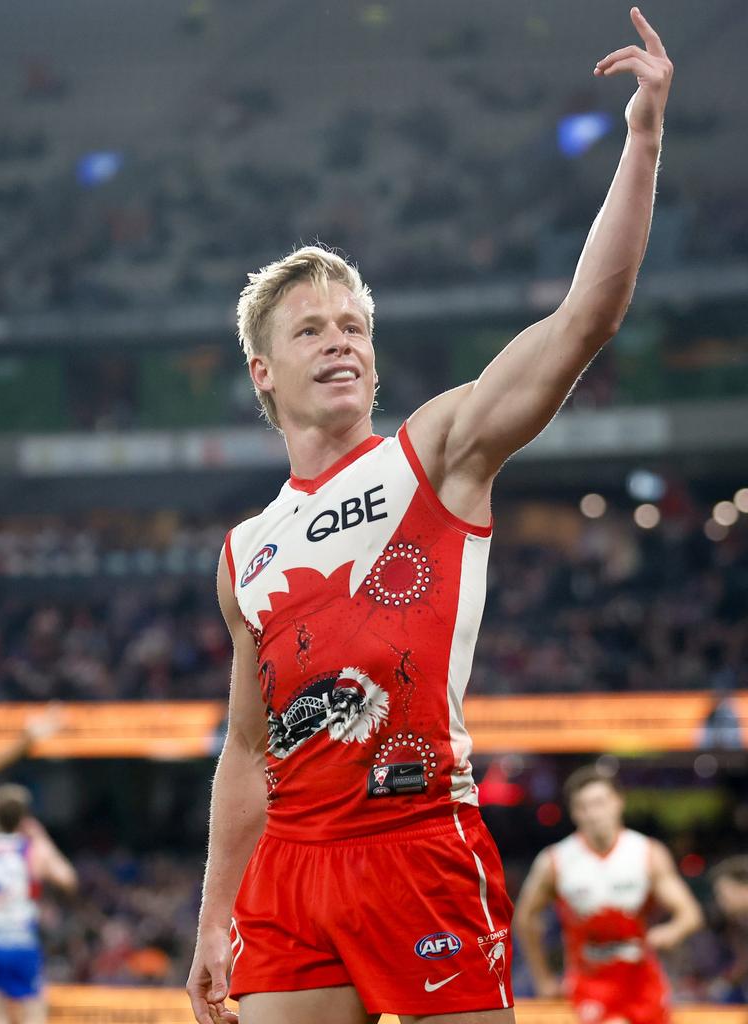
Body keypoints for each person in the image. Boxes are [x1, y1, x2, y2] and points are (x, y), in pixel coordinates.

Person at [186, 10, 674, 1023]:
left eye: (355, 325)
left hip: (420, 850)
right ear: (263, 372)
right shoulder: (244, 553)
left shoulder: (436, 453)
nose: (341, 342)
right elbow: (245, 750)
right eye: (310, 328)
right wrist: (212, 920)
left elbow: (586, 317)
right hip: (291, 872)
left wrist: (644, 138)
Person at [514, 767, 703, 1024]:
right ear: (573, 812)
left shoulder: (647, 853)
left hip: (643, 981)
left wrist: (673, 931)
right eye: (583, 806)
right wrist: (542, 978)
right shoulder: (555, 861)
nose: (593, 814)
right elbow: (525, 918)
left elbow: (690, 914)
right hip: (589, 982)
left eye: (599, 802)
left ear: (618, 802)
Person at [0, 784, 77, 1024]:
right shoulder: (32, 851)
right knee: (32, 1017)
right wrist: (41, 837)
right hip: (20, 943)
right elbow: (68, 880)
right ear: (24, 818)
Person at [707, 856, 748, 1003]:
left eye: (723, 894)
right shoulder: (737, 923)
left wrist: (725, 981)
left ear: (744, 888)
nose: (720, 902)